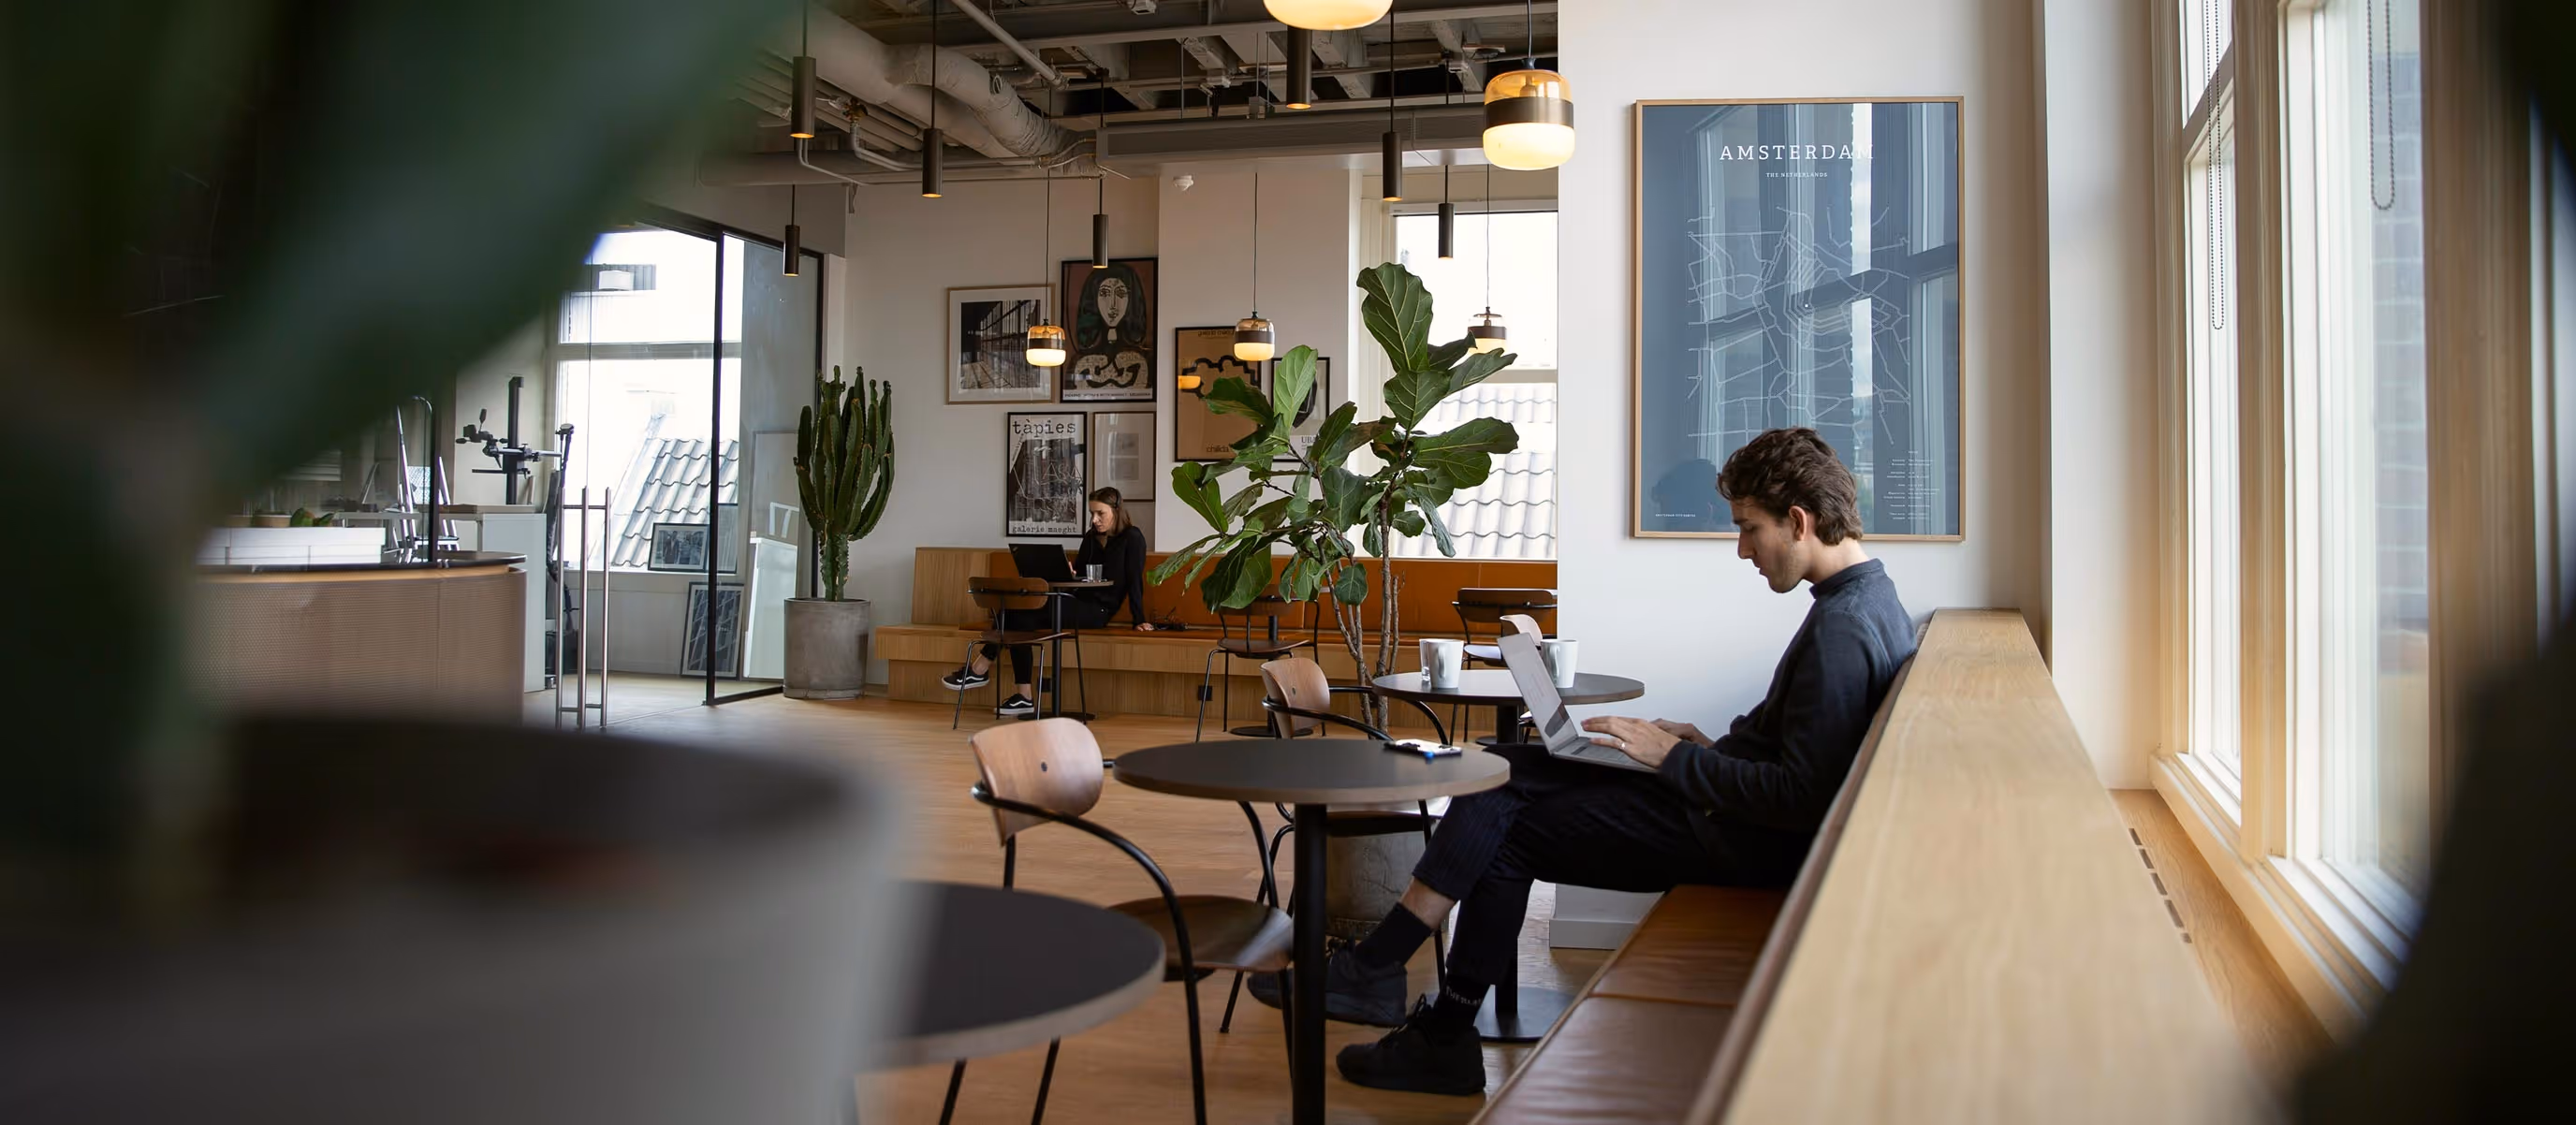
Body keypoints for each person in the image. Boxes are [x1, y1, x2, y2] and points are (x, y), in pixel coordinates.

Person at [1252, 428, 1917, 1095]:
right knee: (1503, 768)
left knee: (1502, 828)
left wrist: (1670, 759)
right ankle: (1404, 996)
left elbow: (1801, 798)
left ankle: (1408, 999)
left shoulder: (1841, 630)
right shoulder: (1867, 601)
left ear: (1799, 521)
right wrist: (1705, 747)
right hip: (1721, 809)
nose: (1743, 549)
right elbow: (1802, 755)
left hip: (1734, 837)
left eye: (1749, 529)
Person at [944, 487, 1159, 716]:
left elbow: (1136, 580)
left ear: (1116, 510)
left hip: (1098, 610)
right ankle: (1022, 696)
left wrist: (1139, 620)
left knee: (1018, 615)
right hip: (1074, 600)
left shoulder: (1132, 538)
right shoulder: (1090, 537)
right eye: (1092, 514)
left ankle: (981, 669)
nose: (1094, 520)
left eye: (1100, 514)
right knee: (1017, 615)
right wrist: (1068, 572)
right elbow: (1079, 575)